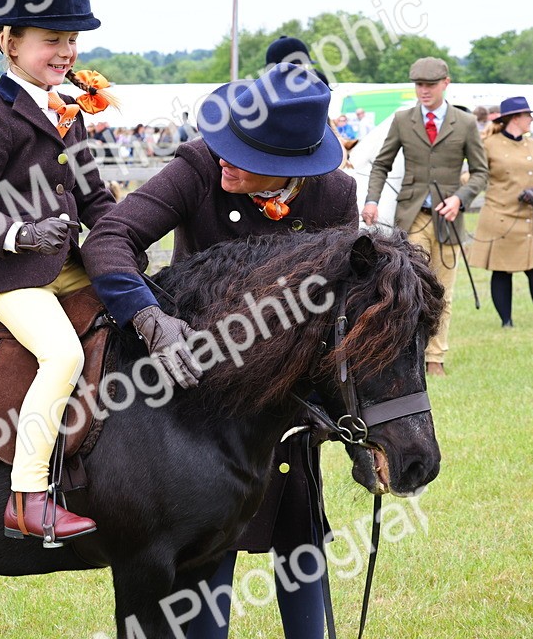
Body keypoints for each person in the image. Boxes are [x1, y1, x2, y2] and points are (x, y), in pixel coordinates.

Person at [84, 64, 356, 639]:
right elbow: (111, 238)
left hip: (287, 398)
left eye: (245, 154)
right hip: (198, 387)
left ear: (290, 166)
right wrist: (150, 318)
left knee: (299, 534)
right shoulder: (199, 165)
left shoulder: (336, 195)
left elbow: (345, 301)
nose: (224, 156)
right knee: (208, 548)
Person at [0, 0, 118, 545]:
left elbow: (95, 197)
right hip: (10, 278)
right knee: (63, 357)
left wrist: (123, 241)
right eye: (52, 38)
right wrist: (20, 234)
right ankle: (27, 497)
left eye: (71, 39)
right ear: (10, 43)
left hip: (66, 266)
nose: (67, 52)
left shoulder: (70, 112)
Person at [363, 57, 488, 376]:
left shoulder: (466, 123)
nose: (423, 91)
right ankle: (407, 355)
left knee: (443, 289)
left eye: (430, 85)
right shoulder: (403, 120)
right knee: (408, 289)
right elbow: (381, 164)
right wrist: (372, 200)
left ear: (446, 83)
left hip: (447, 221)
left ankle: (436, 358)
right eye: (419, 85)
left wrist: (460, 199)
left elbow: (480, 174)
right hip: (412, 215)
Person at [468, 98, 533, 329]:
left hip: (529, 215)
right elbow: (475, 175)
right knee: (502, 271)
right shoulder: (489, 144)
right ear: (515, 118)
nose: (532, 119)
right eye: (528, 115)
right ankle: (506, 322)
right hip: (499, 216)